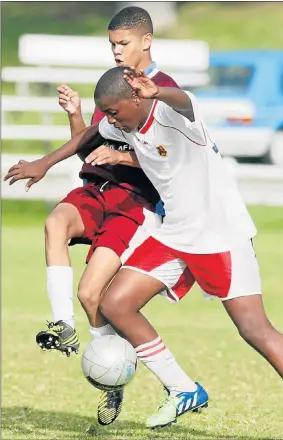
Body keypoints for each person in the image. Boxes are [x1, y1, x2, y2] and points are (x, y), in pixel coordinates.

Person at [5, 67, 283, 438]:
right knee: (114, 304)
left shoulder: (173, 115)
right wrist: (45, 162)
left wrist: (160, 92)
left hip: (220, 235)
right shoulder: (120, 122)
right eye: (105, 112)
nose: (109, 120)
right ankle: (183, 389)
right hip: (174, 234)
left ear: (137, 98)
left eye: (113, 111)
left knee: (254, 328)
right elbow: (89, 136)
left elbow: (186, 101)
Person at [5, 6, 197, 428]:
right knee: (55, 222)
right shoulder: (113, 85)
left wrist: (124, 156)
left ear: (146, 41)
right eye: (111, 43)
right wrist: (68, 125)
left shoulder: (162, 90)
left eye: (123, 43)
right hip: (94, 190)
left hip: (134, 203)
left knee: (92, 293)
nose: (115, 51)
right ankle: (61, 325)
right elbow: (89, 143)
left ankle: (114, 380)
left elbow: (170, 160)